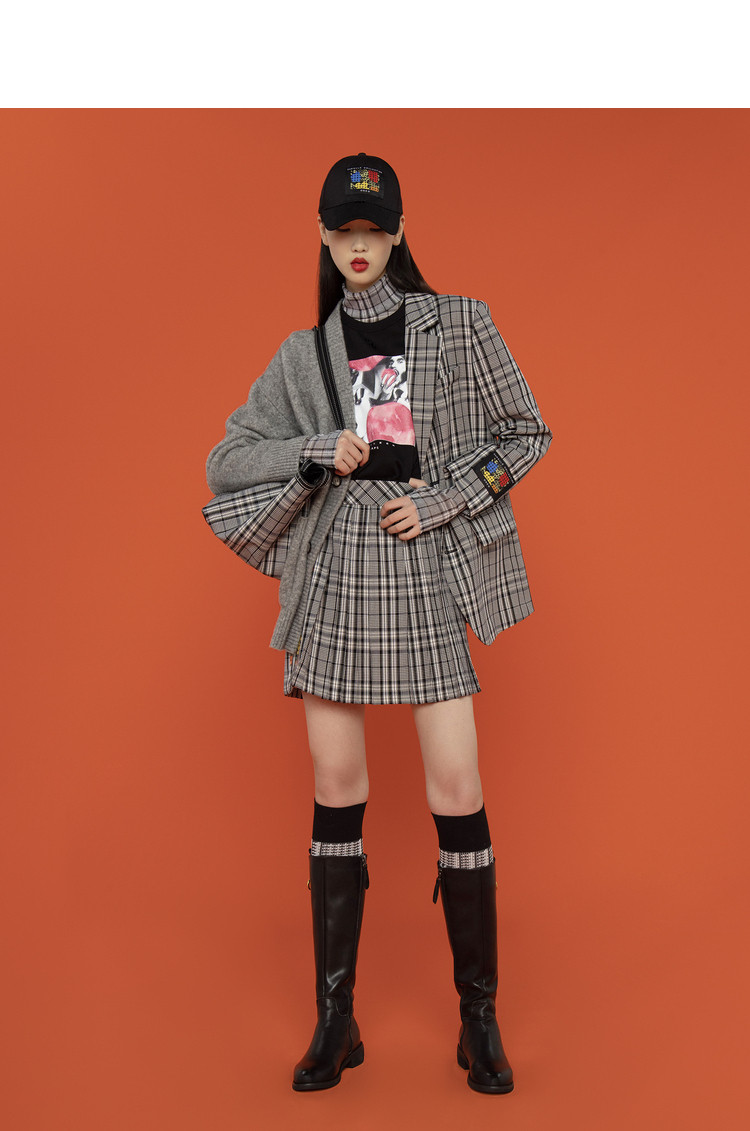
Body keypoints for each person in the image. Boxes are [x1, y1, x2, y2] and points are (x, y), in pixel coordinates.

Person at [205, 152, 552, 1094]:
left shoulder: (461, 322)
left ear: (398, 233)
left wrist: (440, 502)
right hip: (338, 565)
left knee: (456, 782)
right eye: (343, 230)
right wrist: (319, 444)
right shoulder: (303, 353)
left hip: (425, 555)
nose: (358, 245)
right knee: (336, 784)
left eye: (374, 229)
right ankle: (336, 1018)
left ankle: (479, 1019)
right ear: (324, 237)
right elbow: (227, 460)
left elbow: (526, 435)